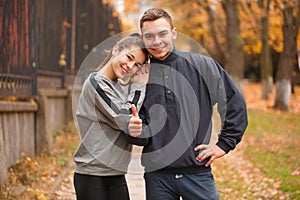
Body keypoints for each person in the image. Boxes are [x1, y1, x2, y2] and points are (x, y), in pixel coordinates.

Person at [127, 8, 248, 199]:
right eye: (149, 36)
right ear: (143, 39)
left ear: (174, 33)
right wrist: (134, 130)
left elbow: (234, 104)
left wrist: (223, 144)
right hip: (157, 177)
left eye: (162, 34)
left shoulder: (202, 65)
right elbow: (137, 130)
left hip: (197, 174)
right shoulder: (140, 75)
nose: (157, 41)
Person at [73, 34, 149, 200]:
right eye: (129, 57)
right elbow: (127, 116)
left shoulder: (122, 86)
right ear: (116, 49)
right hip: (92, 174)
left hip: (116, 174)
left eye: (137, 65)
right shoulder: (96, 82)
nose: (130, 66)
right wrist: (139, 84)